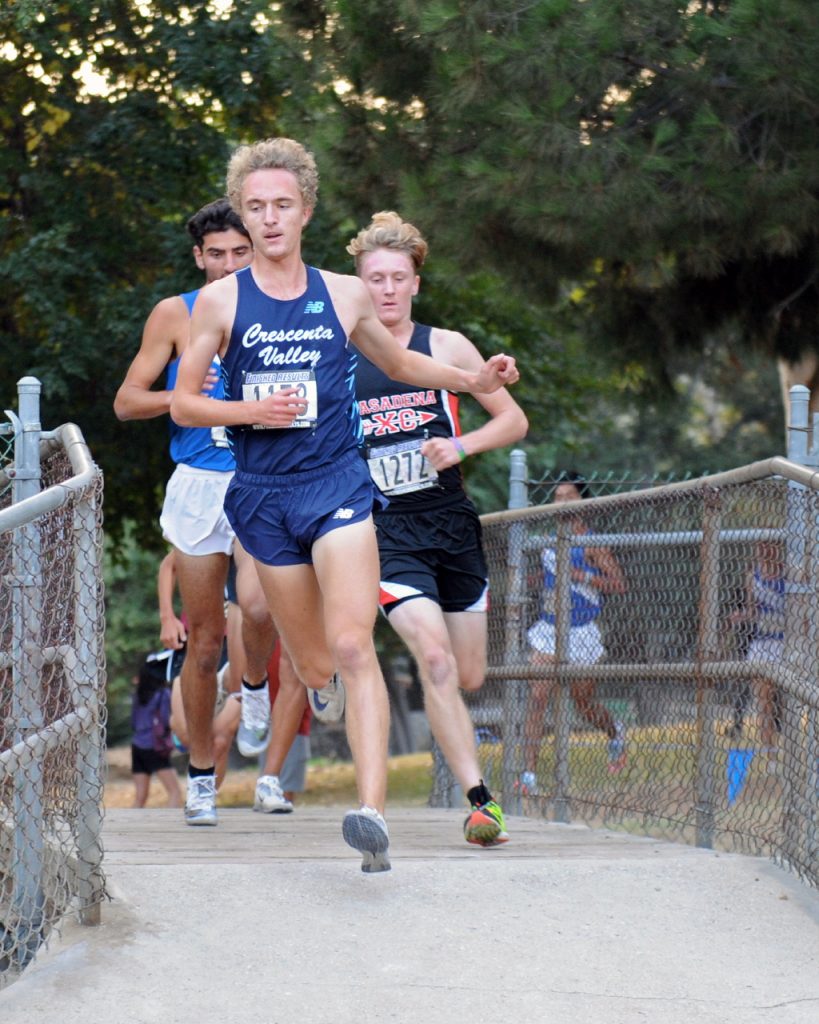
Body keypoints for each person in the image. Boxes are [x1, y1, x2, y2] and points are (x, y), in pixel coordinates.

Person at [170, 137, 520, 872]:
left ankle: (369, 816)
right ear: (244, 212)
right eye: (255, 208)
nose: (268, 221)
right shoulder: (221, 302)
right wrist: (246, 415)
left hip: (336, 487)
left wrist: (473, 378)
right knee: (316, 659)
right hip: (264, 499)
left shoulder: (343, 293)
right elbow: (183, 402)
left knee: (357, 646)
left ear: (305, 211)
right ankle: (318, 687)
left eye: (282, 206)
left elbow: (401, 364)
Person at [347, 211, 528, 846]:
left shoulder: (446, 347)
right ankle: (481, 804)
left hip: (450, 525)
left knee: (467, 673)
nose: (388, 290)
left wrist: (462, 445)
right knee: (434, 657)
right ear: (359, 285)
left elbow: (512, 421)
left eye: (399, 278)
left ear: (416, 283)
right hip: (383, 532)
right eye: (375, 279)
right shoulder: (340, 355)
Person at [114, 199, 282, 827]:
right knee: (205, 640)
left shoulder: (280, 312)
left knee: (260, 606)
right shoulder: (174, 314)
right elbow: (127, 402)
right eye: (218, 254)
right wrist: (185, 396)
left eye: (242, 252)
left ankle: (258, 687)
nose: (230, 265)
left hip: (262, 477)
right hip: (196, 486)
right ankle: (203, 776)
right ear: (199, 256)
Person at [523, 472, 627, 789]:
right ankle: (528, 775)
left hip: (581, 632)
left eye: (570, 496)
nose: (563, 502)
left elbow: (619, 585)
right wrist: (535, 580)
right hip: (549, 629)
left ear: (583, 501)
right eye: (558, 497)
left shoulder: (591, 542)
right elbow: (551, 573)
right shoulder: (550, 537)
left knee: (583, 703)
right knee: (537, 698)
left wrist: (582, 576)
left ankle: (615, 731)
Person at [728, 538, 785, 763]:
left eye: (768, 545)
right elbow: (753, 612)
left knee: (790, 703)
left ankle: (796, 754)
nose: (763, 551)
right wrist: (740, 616)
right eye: (759, 546)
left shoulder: (791, 574)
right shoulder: (753, 576)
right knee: (764, 702)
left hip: (786, 643)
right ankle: (770, 756)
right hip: (762, 643)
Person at [130, 654, 183, 809]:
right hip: (155, 746)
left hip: (137, 746)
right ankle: (169, 827)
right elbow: (167, 721)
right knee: (175, 792)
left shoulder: (138, 695)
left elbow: (133, 721)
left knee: (140, 797)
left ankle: (129, 828)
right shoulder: (163, 694)